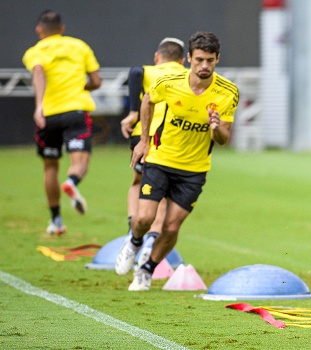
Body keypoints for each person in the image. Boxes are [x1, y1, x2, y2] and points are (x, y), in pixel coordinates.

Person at [115, 31, 239, 291]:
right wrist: (144, 140)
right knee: (144, 219)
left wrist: (215, 127)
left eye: (210, 61)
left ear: (217, 59)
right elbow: (148, 100)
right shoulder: (169, 82)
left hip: (194, 169)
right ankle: (135, 241)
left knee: (171, 227)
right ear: (189, 59)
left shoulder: (228, 93)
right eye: (199, 60)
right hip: (161, 159)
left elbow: (224, 138)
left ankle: (146, 270)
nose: (204, 66)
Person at [22, 10, 102, 235]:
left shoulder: (35, 52)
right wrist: (83, 87)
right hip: (75, 111)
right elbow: (96, 80)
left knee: (50, 166)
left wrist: (39, 105)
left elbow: (38, 72)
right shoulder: (79, 46)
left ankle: (56, 220)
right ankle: (72, 182)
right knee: (80, 161)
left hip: (47, 116)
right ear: (62, 29)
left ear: (39, 31)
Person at [119, 37, 187, 261]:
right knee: (163, 192)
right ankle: (151, 239)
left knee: (138, 182)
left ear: (157, 57)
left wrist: (131, 113)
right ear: (183, 60)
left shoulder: (146, 71)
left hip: (142, 135)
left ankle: (133, 226)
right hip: (168, 136)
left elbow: (135, 72)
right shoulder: (186, 76)